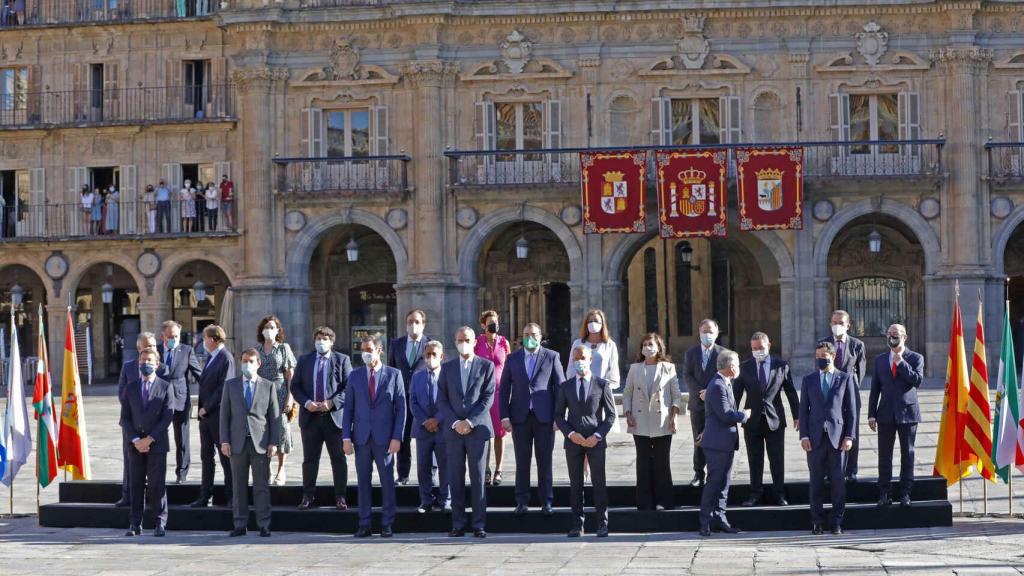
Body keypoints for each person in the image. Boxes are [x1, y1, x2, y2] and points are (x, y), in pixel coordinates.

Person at [342, 334, 406, 538]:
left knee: (387, 481)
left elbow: (401, 408)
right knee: (363, 481)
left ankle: (387, 523)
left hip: (385, 438)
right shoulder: (355, 375)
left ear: (379, 351)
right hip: (361, 438)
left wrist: (397, 437)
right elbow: (349, 409)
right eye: (363, 350)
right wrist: (346, 438)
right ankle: (364, 523)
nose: (366, 354)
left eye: (369, 350)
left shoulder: (394, 375)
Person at [499, 322, 564, 515]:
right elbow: (504, 390)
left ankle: (547, 501)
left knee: (545, 461)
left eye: (534, 334)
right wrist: (504, 416)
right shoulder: (512, 359)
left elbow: (560, 388)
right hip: (520, 417)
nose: (530, 337)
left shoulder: (552, 357)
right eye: (526, 334)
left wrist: (558, 417)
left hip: (544, 417)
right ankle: (522, 500)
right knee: (522, 460)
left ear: (540, 336)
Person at [437, 326, 495, 538]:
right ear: (455, 342)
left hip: (477, 429)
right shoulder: (447, 368)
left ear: (474, 342)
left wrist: (469, 421)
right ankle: (458, 524)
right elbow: (442, 399)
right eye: (460, 339)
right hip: (453, 431)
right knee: (455, 477)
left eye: (467, 339)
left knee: (478, 477)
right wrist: (455, 422)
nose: (463, 342)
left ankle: (479, 524)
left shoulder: (486, 366)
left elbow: (487, 398)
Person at [555, 344, 616, 538]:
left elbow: (611, 415)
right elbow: (558, 415)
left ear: (590, 359)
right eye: (575, 359)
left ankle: (602, 523)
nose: (579, 362)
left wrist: (597, 436)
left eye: (582, 358)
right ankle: (577, 524)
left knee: (599, 482)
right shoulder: (565, 386)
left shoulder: (601, 384)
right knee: (576, 483)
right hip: (574, 440)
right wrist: (571, 434)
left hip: (595, 440)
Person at [733, 332, 799, 506]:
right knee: (755, 459)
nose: (758, 351)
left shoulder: (781, 366)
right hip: (751, 420)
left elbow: (791, 393)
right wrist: (731, 417)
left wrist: (797, 416)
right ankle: (755, 493)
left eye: (761, 348)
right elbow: (735, 394)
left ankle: (779, 493)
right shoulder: (744, 367)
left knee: (777, 459)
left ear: (768, 345)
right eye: (754, 348)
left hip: (775, 420)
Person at [221, 349, 280, 538]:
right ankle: (240, 523)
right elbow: (224, 416)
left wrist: (274, 442)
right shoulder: (230, 386)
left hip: (260, 442)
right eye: (245, 360)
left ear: (259, 364)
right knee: (238, 485)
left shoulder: (268, 386)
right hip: (237, 443)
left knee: (261, 485)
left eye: (251, 361)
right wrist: (224, 441)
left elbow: (274, 417)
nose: (248, 364)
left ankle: (264, 524)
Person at [291, 326, 352, 510]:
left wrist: (333, 402)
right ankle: (308, 496)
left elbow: (349, 387)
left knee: (338, 459)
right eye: (318, 338)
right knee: (310, 459)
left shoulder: (342, 360)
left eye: (325, 338)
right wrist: (306, 402)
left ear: (332, 341)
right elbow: (295, 387)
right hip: (310, 417)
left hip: (333, 417)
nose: (321, 341)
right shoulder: (304, 360)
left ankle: (340, 497)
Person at [800, 341, 857, 535]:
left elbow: (851, 411)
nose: (820, 360)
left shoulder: (845, 378)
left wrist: (849, 435)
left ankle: (837, 521)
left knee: (837, 481)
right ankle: (817, 521)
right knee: (815, 481)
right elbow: (804, 411)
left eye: (823, 356)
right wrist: (804, 436)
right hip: (815, 439)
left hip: (838, 438)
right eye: (817, 357)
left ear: (832, 356)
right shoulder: (809, 380)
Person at [622, 332, 682, 511]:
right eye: (645, 344)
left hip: (662, 421)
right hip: (640, 421)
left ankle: (664, 500)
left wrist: (675, 416)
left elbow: (676, 395)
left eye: (651, 344)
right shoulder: (635, 369)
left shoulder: (668, 368)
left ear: (658, 347)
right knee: (643, 461)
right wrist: (627, 412)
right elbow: (627, 393)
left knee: (662, 462)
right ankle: (644, 502)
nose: (648, 347)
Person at [868, 323, 924, 508]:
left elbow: (916, 381)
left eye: (897, 334)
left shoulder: (916, 358)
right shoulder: (880, 360)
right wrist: (871, 414)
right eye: (890, 333)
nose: (893, 336)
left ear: (905, 337)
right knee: (884, 455)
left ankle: (905, 493)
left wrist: (901, 362)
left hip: (907, 413)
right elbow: (875, 388)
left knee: (907, 454)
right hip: (885, 414)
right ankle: (884, 493)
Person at [120, 349, 174, 537]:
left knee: (156, 485)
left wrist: (150, 439)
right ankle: (135, 523)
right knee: (136, 484)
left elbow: (167, 417)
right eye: (143, 360)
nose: (146, 363)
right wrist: (136, 440)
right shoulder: (130, 387)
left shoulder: (165, 387)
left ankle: (160, 522)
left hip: (156, 444)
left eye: (149, 360)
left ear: (157, 364)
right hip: (135, 446)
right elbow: (125, 418)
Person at [698, 350, 751, 537]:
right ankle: (705, 521)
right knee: (714, 483)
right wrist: (744, 415)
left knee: (724, 484)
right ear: (731, 367)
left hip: (725, 443)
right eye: (737, 364)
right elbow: (725, 415)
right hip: (717, 444)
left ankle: (720, 518)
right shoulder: (718, 385)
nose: (738, 368)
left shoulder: (725, 382)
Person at [190, 325, 236, 508]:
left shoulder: (226, 358)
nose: (202, 341)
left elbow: (224, 387)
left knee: (226, 458)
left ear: (213, 339)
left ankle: (231, 497)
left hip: (218, 416)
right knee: (206, 457)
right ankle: (204, 495)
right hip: (206, 418)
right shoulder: (211, 358)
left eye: (204, 338)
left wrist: (206, 408)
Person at [682, 318, 729, 487]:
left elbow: (726, 375)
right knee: (698, 439)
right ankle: (698, 473)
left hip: (716, 404)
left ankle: (714, 473)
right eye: (704, 332)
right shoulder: (691, 353)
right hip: (697, 404)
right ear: (699, 333)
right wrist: (699, 392)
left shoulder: (724, 353)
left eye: (710, 332)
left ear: (717, 334)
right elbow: (687, 375)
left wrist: (710, 392)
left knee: (716, 439)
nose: (707, 335)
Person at [820, 309, 866, 481]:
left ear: (848, 326)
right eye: (834, 322)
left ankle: (851, 470)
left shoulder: (857, 344)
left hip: (850, 393)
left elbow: (860, 372)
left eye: (840, 323)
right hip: (828, 395)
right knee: (828, 430)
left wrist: (850, 389)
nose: (836, 326)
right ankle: (828, 470)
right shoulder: (823, 343)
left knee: (851, 431)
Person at [387, 309, 431, 485]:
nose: (413, 325)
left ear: (423, 324)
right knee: (402, 438)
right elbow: (390, 370)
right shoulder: (396, 344)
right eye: (410, 321)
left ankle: (429, 476)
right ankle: (403, 475)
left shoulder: (431, 344)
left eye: (417, 321)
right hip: (402, 399)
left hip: (424, 401)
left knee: (426, 439)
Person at [115, 332, 158, 507]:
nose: (152, 349)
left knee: (154, 462)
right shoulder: (128, 367)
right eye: (148, 346)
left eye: (154, 346)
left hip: (153, 424)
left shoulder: (159, 366)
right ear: (139, 348)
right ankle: (128, 495)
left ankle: (151, 495)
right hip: (132, 423)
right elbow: (122, 393)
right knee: (130, 459)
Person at [157, 320, 201, 484]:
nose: (173, 339)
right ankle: (156, 472)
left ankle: (181, 474)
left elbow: (199, 374)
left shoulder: (187, 351)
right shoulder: (156, 351)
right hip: (159, 400)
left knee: (182, 438)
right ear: (163, 336)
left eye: (176, 336)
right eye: (170, 336)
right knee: (157, 436)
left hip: (180, 399)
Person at [256, 315, 297, 485]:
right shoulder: (257, 350)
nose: (269, 330)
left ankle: (281, 468)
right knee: (262, 428)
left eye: (272, 327)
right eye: (266, 327)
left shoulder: (283, 348)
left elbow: (290, 374)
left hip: (280, 390)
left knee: (281, 428)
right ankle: (267, 467)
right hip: (262, 391)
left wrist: (290, 396)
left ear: (278, 330)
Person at [410, 340, 450, 513]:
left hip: (443, 428)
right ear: (423, 356)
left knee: (445, 465)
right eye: (428, 354)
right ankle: (426, 500)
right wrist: (425, 420)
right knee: (423, 466)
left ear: (441, 356)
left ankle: (445, 499)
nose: (431, 357)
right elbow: (413, 402)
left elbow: (451, 401)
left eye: (434, 354)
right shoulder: (417, 377)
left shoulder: (448, 376)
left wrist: (437, 420)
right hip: (422, 428)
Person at [475, 309, 510, 485]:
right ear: (483, 324)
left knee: (499, 433)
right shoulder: (477, 342)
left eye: (495, 321)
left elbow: (508, 366)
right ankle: (486, 468)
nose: (493, 325)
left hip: (500, 392)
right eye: (490, 322)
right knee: (485, 433)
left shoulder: (504, 342)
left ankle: (499, 469)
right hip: (482, 393)